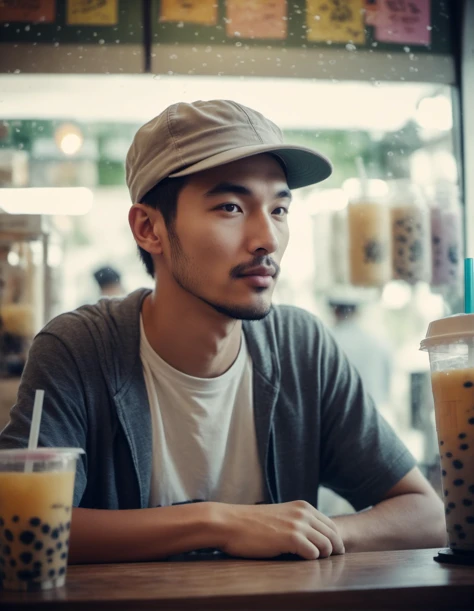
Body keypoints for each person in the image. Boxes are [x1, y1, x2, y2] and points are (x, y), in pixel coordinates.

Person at [0, 100, 446, 564]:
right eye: (231, 206)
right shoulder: (80, 349)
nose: (268, 240)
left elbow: (425, 514)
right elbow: (19, 524)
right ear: (149, 228)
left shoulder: (300, 348)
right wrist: (219, 522)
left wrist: (303, 532)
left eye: (279, 209)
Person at [328, 299, 393, 408]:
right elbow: (386, 384)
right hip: (372, 410)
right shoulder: (376, 342)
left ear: (335, 311)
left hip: (336, 413)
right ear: (358, 312)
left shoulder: (327, 342)